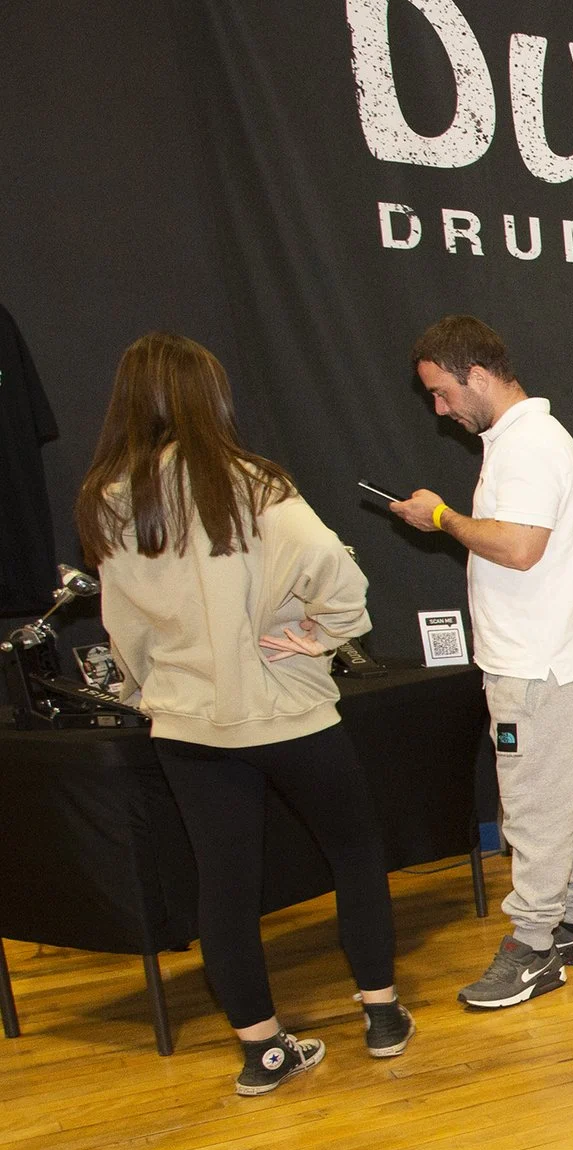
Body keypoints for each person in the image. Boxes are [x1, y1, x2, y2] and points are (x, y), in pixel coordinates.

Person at [76, 333, 408, 1093]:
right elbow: (338, 577)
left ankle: (262, 1049)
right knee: (355, 852)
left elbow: (122, 629)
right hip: (288, 712)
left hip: (189, 726)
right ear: (209, 398)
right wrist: (320, 635)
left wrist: (147, 687)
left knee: (222, 885)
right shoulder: (253, 483)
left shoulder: (109, 499)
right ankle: (382, 1013)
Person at [387, 316, 573, 1010]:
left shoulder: (528, 447)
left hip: (538, 661)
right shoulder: (523, 440)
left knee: (531, 804)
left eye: (441, 392)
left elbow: (521, 548)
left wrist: (441, 518)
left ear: (479, 377)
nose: (439, 409)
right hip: (550, 654)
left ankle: (532, 947)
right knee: (561, 791)